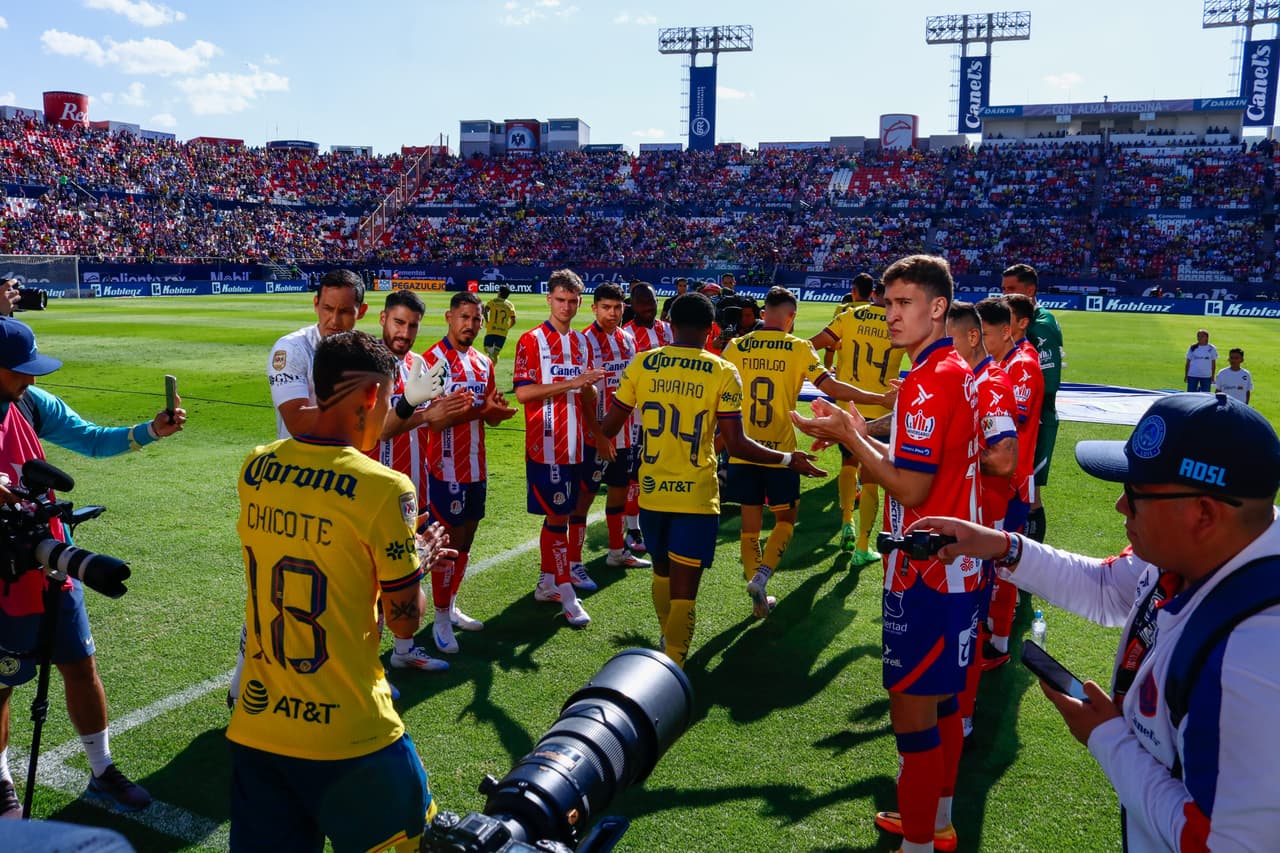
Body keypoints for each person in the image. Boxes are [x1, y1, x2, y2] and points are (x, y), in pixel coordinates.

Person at [905, 392, 1280, 852]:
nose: (1121, 506)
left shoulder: (1255, 656)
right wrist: (1000, 545)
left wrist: (1107, 738)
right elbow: (1106, 588)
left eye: (1136, 494)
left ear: (1204, 513)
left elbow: (1225, 844)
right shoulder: (1207, 550)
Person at [229, 330, 450, 852]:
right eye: (388, 399)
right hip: (350, 732)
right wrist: (416, 563)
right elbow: (404, 621)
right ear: (372, 396)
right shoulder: (384, 487)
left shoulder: (256, 466)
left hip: (257, 727)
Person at [792, 255, 979, 853]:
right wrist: (859, 427)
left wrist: (849, 435)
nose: (891, 315)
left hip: (926, 573)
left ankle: (919, 843)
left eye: (904, 304)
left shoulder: (929, 377)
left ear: (937, 307)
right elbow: (917, 448)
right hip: (957, 567)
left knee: (913, 718)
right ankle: (937, 821)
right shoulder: (950, 368)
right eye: (888, 303)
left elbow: (911, 488)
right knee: (943, 705)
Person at [0, 317, 187, 816]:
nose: (31, 378)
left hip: (50, 558)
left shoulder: (30, 403)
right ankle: (0, 780)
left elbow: (90, 438)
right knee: (1, 684)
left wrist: (151, 431)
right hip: (3, 575)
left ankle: (102, 768)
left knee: (81, 666)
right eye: (19, 370)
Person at [599, 293, 825, 668]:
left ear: (671, 325)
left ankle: (666, 643)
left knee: (661, 576)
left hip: (652, 493)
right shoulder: (721, 370)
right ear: (710, 330)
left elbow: (608, 428)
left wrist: (588, 405)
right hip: (697, 497)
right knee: (685, 593)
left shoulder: (643, 363)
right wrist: (788, 459)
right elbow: (736, 444)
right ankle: (674, 665)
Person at [722, 287, 891, 617]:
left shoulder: (736, 346)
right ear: (791, 317)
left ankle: (756, 595)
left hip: (743, 449)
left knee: (749, 526)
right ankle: (762, 576)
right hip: (781, 453)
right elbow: (832, 387)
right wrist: (878, 398)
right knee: (785, 520)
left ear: (763, 314)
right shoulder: (799, 347)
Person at [420, 292, 518, 654]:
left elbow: (488, 415)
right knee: (448, 543)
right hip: (444, 468)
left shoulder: (483, 363)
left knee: (467, 540)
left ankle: (450, 605)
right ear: (449, 318)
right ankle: (440, 618)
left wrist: (496, 413)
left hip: (476, 466)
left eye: (476, 319)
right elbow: (433, 421)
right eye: (464, 317)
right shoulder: (431, 361)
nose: (471, 325)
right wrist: (481, 411)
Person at [513, 269, 605, 627]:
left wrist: (588, 391)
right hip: (547, 444)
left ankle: (547, 582)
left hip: (577, 444)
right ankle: (567, 595)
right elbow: (524, 393)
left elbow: (585, 393)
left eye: (572, 301)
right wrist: (574, 382)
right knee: (557, 516)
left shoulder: (582, 343)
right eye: (560, 300)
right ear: (549, 299)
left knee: (560, 516)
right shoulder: (531, 340)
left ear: (580, 303)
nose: (566, 307)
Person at [949, 301, 1019, 736]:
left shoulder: (990, 382)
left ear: (972, 338)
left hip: (984, 518)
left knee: (967, 623)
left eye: (948, 340)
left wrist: (945, 457)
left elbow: (1004, 459)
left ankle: (964, 717)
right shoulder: (967, 378)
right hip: (971, 515)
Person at [810, 276, 907, 563]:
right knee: (871, 477)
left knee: (848, 463)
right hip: (882, 410)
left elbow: (811, 346)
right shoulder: (899, 322)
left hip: (847, 406)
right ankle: (863, 546)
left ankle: (846, 521)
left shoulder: (848, 315)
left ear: (873, 293)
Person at [569, 283, 648, 595]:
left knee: (619, 492)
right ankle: (573, 563)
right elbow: (582, 395)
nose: (612, 313)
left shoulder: (628, 338)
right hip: (596, 435)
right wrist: (600, 435)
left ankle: (617, 551)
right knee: (583, 499)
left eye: (617, 307)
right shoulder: (584, 341)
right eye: (606, 307)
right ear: (594, 308)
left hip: (627, 431)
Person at [981, 294, 1044, 668]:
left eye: (985, 334)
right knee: (992, 560)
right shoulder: (1008, 361)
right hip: (1005, 480)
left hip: (1011, 483)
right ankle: (990, 630)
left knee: (1002, 562)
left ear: (1007, 330)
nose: (979, 342)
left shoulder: (1022, 365)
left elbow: (1012, 421)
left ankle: (999, 645)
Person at [372, 290, 473, 506]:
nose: (405, 333)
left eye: (413, 326)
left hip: (416, 488)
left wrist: (454, 407)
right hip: (376, 492)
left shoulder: (419, 364)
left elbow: (433, 424)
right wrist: (424, 414)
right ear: (383, 318)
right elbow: (380, 431)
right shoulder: (366, 363)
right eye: (399, 322)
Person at [268, 268, 369, 440]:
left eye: (344, 311)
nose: (334, 320)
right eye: (327, 309)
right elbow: (297, 422)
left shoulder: (366, 350)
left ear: (362, 311)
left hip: (348, 454)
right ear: (316, 304)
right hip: (303, 457)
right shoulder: (292, 348)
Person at [1002, 263, 1063, 545]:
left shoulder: (1041, 326)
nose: (1005, 294)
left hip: (1035, 421)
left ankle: (1031, 558)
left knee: (1031, 494)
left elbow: (1049, 383)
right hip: (1023, 420)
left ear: (1030, 290)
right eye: (1003, 289)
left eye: (1011, 289)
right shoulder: (1021, 321)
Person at [621, 282, 674, 554]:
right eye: (642, 303)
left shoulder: (668, 330)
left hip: (670, 415)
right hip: (638, 419)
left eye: (651, 303)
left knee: (664, 469)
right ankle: (633, 527)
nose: (648, 308)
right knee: (636, 475)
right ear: (632, 305)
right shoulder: (626, 335)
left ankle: (660, 520)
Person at [482, 285, 518, 363]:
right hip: (503, 332)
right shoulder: (510, 305)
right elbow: (514, 320)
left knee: (486, 348)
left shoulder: (493, 301)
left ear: (499, 293)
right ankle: (492, 367)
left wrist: (487, 321)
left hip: (492, 329)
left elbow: (485, 311)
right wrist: (507, 327)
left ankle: (490, 354)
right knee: (496, 353)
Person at [1185, 329, 1218, 393]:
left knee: (1205, 395)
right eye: (1198, 336)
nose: (1199, 338)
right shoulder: (1192, 347)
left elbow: (1213, 363)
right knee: (1191, 394)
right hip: (1193, 375)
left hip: (1206, 376)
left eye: (1202, 336)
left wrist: (1212, 376)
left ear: (1207, 337)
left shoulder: (1212, 348)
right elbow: (1188, 362)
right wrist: (1186, 375)